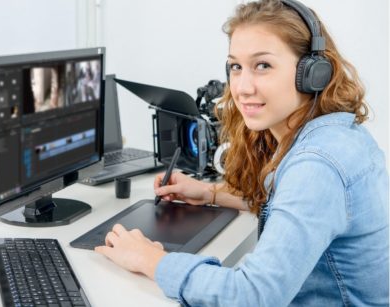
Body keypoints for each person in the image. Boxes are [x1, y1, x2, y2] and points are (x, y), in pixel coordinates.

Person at [95, 0, 389, 305]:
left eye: (263, 65)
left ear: (313, 73)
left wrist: (150, 260)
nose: (242, 88)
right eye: (236, 67)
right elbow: (289, 205)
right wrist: (209, 193)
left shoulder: (318, 165)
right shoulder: (332, 135)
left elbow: (252, 295)